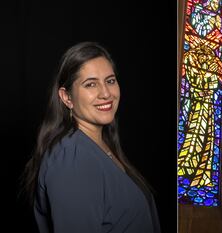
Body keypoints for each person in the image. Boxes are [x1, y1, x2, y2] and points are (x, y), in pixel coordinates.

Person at [22, 42, 161, 233]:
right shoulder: (71, 157)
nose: (106, 93)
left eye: (110, 81)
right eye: (91, 84)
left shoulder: (100, 147)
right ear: (66, 97)